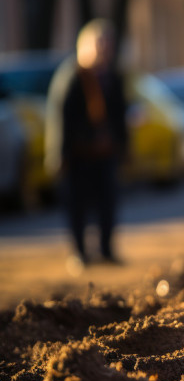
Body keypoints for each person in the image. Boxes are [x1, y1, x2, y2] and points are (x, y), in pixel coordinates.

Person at [46, 18, 129, 268]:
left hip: (105, 152)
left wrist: (124, 146)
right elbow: (60, 118)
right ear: (85, 46)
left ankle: (105, 250)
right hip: (78, 154)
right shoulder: (71, 77)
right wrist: (58, 154)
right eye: (100, 44)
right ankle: (80, 253)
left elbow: (120, 114)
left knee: (108, 203)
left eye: (108, 45)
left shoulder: (113, 77)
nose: (105, 50)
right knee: (77, 206)